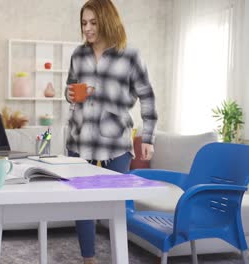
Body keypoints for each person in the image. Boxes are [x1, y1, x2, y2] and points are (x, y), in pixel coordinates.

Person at [64, 1, 158, 263]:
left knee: (116, 206)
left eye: (93, 23)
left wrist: (148, 137)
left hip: (115, 143)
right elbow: (70, 89)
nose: (88, 29)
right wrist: (69, 93)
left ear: (107, 21)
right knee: (82, 204)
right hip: (80, 140)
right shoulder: (78, 55)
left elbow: (147, 97)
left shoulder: (131, 56)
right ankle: (89, 259)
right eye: (84, 23)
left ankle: (120, 257)